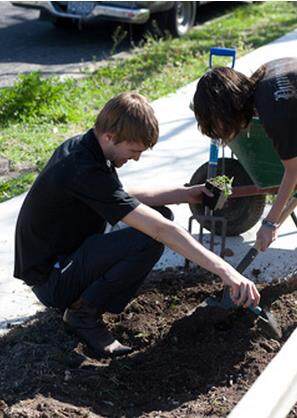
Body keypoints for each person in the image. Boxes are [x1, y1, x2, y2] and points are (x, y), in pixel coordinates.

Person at [14, 92, 260, 358]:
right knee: (150, 236)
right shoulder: (82, 169)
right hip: (52, 280)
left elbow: (119, 196)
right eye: (134, 151)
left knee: (159, 216)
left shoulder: (87, 149)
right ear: (110, 137)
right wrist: (227, 271)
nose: (136, 159)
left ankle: (85, 302)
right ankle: (82, 314)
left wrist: (186, 192)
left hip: (67, 258)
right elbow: (161, 231)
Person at [193, 57, 297, 252]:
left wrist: (270, 223)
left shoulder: (276, 113)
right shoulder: (263, 79)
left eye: (218, 124)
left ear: (226, 110)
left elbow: (293, 172)